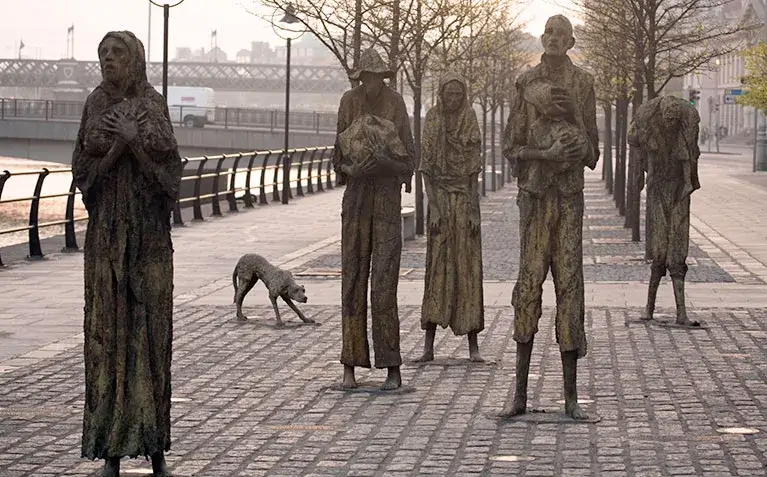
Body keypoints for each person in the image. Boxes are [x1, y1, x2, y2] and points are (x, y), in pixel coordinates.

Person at [72, 30, 182, 477]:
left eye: (117, 53)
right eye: (103, 54)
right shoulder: (95, 105)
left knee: (152, 341)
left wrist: (135, 140)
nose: (108, 60)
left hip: (150, 244)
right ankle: (111, 455)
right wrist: (122, 145)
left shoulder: (153, 104)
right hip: (106, 245)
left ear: (135, 58)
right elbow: (85, 176)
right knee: (107, 341)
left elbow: (170, 180)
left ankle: (155, 451)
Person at [501, 14, 599, 420]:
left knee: (571, 289)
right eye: (550, 33)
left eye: (563, 34)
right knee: (527, 287)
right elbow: (510, 147)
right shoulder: (525, 84)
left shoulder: (583, 83)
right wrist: (546, 155)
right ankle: (519, 394)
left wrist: (576, 124)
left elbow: (594, 154)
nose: (556, 39)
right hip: (535, 198)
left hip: (569, 199)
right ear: (543, 38)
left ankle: (571, 399)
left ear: (571, 41)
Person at [333, 48, 415, 390]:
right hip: (356, 201)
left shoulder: (396, 104)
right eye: (365, 78)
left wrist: (385, 162)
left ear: (383, 78)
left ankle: (392, 366)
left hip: (385, 201)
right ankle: (350, 365)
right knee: (352, 281)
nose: (371, 84)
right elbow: (337, 158)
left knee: (384, 285)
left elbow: (409, 160)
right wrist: (353, 168)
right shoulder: (348, 102)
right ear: (359, 78)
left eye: (376, 78)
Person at [416, 72, 485, 363]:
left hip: (464, 200)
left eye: (459, 94)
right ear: (442, 95)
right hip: (441, 201)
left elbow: (472, 172)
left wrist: (471, 209)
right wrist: (435, 207)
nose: (454, 99)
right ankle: (428, 345)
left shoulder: (469, 117)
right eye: (449, 94)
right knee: (437, 268)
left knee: (468, 268)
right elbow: (427, 169)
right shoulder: (433, 119)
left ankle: (473, 344)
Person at [628, 95, 701, 327]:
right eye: (667, 118)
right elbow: (635, 143)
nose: (670, 122)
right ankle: (649, 309)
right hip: (658, 193)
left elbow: (688, 166)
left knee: (677, 251)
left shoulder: (682, 139)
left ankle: (681, 312)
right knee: (659, 251)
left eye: (674, 118)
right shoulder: (651, 135)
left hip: (678, 194)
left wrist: (687, 186)